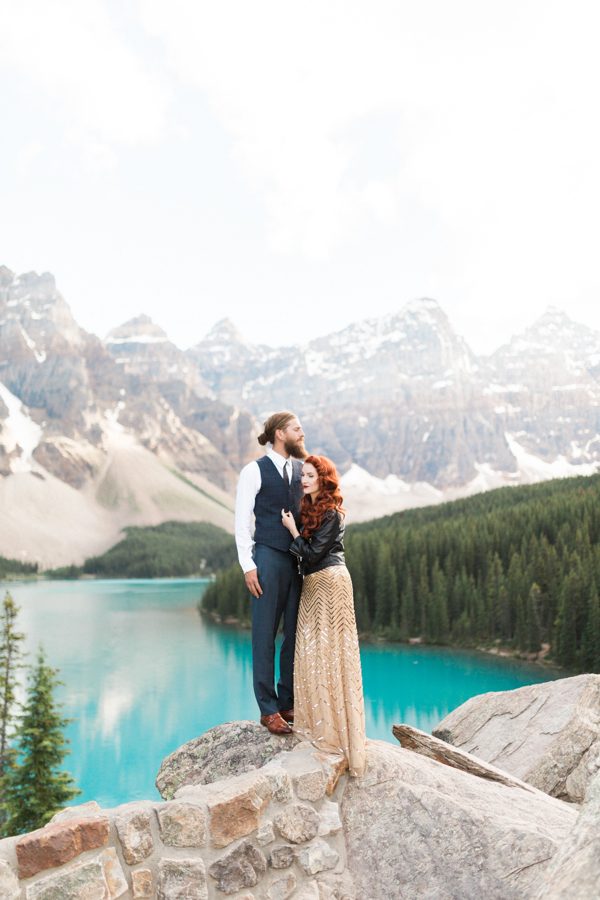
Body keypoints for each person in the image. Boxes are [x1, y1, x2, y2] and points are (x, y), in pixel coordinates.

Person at [281, 454, 367, 776]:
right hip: (314, 584)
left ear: (324, 480)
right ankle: (321, 727)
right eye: (302, 475)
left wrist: (292, 531)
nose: (304, 480)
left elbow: (314, 553)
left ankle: (337, 735)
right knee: (312, 653)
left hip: (331, 582)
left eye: (311, 476)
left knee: (333, 654)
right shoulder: (311, 509)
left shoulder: (332, 512)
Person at [235, 411, 306, 735]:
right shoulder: (254, 470)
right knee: (264, 635)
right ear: (280, 433)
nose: (301, 433)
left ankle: (287, 701)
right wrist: (248, 565)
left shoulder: (298, 471)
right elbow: (241, 520)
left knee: (293, 633)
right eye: (296, 429)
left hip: (295, 561)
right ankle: (268, 708)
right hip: (265, 558)